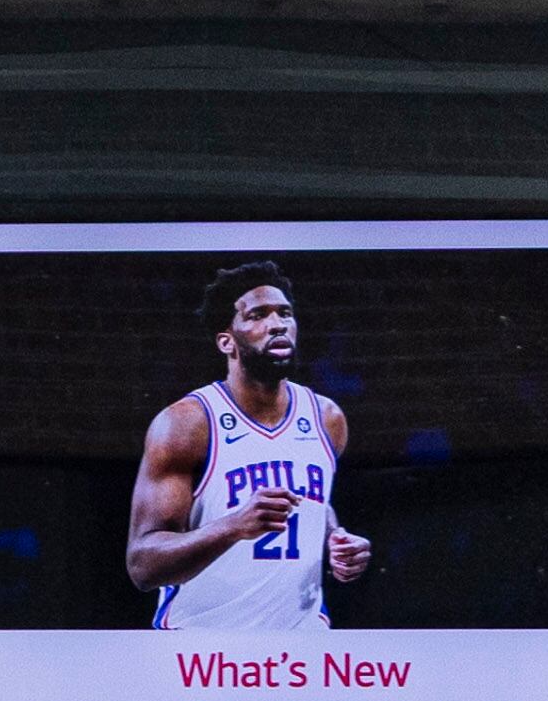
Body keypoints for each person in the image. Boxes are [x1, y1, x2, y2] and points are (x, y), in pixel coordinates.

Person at [124, 261, 371, 633]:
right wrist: (234, 526)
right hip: (202, 648)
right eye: (257, 315)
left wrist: (334, 537)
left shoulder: (326, 418)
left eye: (285, 313)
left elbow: (312, 500)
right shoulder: (187, 423)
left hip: (301, 645)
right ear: (227, 341)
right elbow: (143, 565)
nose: (277, 324)